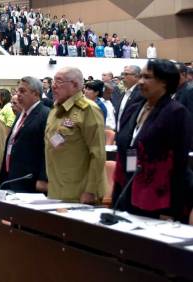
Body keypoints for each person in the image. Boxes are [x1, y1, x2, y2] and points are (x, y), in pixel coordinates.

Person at [113, 59, 193, 223]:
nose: (141, 81)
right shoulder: (134, 108)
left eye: (147, 77)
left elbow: (179, 164)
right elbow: (126, 148)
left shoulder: (176, 112)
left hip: (159, 199)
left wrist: (172, 209)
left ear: (165, 82)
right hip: (128, 189)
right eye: (140, 76)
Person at [45, 67, 106, 203]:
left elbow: (98, 154)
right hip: (57, 188)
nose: (54, 85)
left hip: (79, 192)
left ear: (75, 85)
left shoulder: (88, 110)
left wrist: (90, 190)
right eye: (54, 81)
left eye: (59, 81)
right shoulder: (55, 111)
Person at [0, 76, 49, 193]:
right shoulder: (21, 114)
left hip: (30, 180)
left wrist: (44, 178)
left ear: (36, 94)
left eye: (22, 91)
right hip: (11, 177)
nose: (18, 95)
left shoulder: (45, 115)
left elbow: (47, 149)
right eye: (17, 91)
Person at [115, 65, 144, 132]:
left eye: (126, 74)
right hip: (119, 134)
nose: (122, 77)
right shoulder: (124, 93)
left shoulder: (141, 94)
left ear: (136, 76)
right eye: (122, 74)